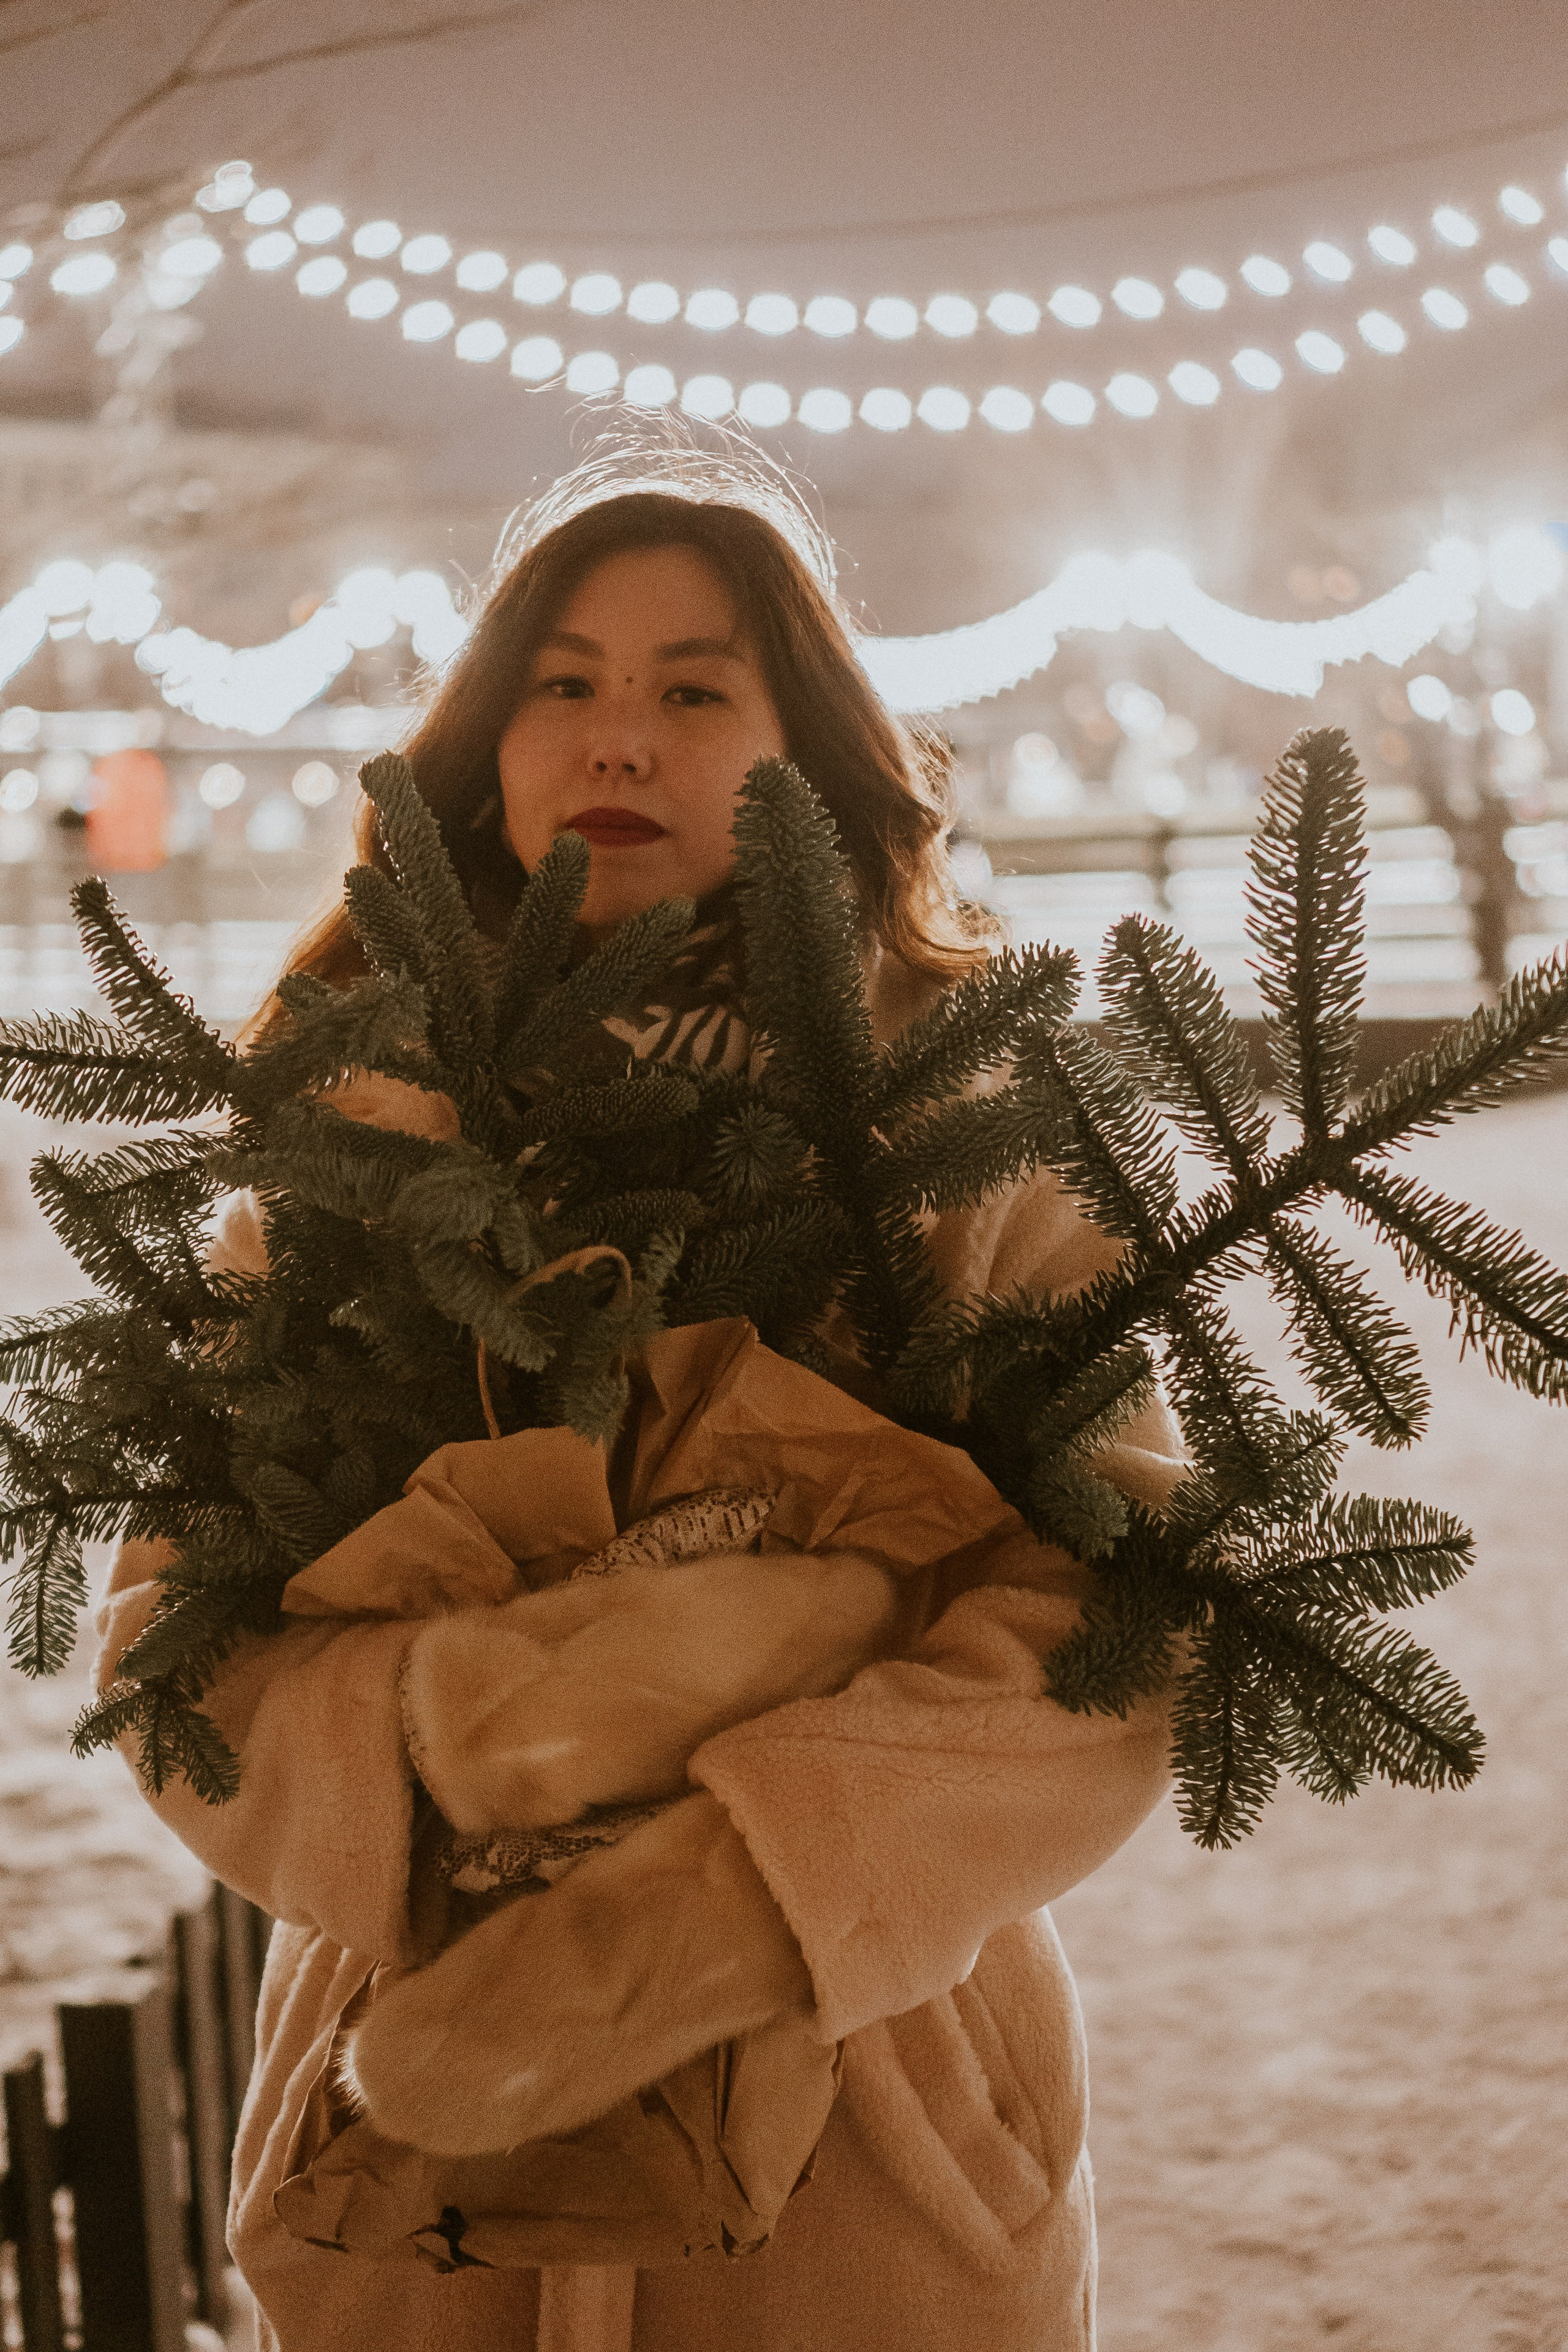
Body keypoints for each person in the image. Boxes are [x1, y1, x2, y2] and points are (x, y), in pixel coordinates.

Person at [93, 450, 1185, 2352]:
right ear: (489, 742)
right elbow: (177, 1630)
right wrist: (457, 1745)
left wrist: (735, 1896)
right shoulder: (360, 1135)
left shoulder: (964, 1130)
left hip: (875, 2132)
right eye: (566, 681)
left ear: (805, 754)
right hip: (410, 2137)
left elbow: (1121, 1611)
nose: (621, 735)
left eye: (695, 688)